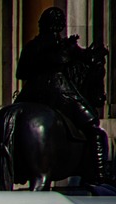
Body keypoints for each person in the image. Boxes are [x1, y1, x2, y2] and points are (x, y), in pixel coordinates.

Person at [15, 7, 111, 184]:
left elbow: (20, 73)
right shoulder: (63, 46)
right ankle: (99, 173)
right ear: (60, 26)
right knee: (93, 126)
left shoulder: (31, 46)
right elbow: (87, 61)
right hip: (58, 92)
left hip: (30, 94)